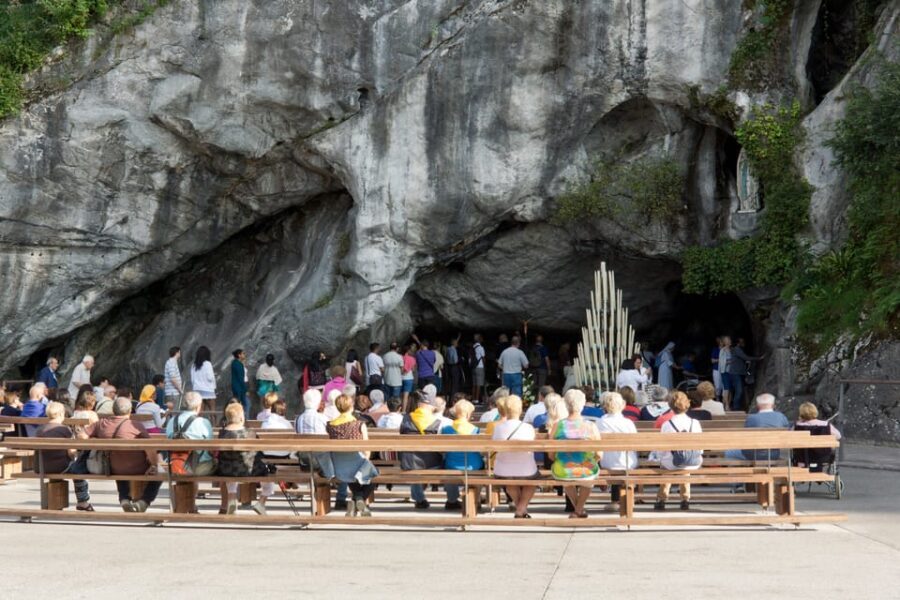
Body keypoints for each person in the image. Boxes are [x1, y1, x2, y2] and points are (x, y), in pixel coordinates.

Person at [81, 397, 160, 512]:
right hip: (138, 468)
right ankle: (144, 502)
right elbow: (150, 447)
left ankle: (124, 499)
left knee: (118, 461)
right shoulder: (135, 425)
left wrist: (95, 439)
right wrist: (154, 465)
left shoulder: (102, 423)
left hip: (112, 468)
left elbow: (81, 436)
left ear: (113, 410)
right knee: (160, 473)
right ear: (130, 411)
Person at [399, 391, 460, 510]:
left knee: (413, 467)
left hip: (409, 463)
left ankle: (419, 500)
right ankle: (452, 500)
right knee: (450, 466)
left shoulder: (406, 419)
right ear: (431, 406)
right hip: (432, 463)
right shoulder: (438, 422)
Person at [323, 394, 379, 517]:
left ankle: (356, 501)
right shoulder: (359, 425)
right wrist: (365, 463)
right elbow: (367, 449)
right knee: (373, 473)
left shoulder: (330, 425)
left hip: (338, 466)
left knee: (352, 473)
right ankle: (358, 499)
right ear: (351, 407)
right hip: (356, 463)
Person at [549, 390, 601, 518]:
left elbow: (550, 454)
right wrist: (593, 460)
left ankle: (578, 509)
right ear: (582, 405)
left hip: (563, 469)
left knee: (566, 479)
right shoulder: (591, 426)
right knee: (588, 480)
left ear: (566, 405)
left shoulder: (557, 425)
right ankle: (579, 509)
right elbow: (599, 454)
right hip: (586, 468)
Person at [36, 401, 93, 511]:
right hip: (61, 467)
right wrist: (76, 456)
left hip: (42, 467)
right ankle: (83, 502)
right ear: (61, 414)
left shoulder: (40, 430)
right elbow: (71, 452)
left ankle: (53, 503)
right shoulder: (64, 430)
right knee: (78, 471)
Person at [217, 403, 269, 514]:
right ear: (241, 417)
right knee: (269, 474)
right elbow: (259, 451)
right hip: (246, 471)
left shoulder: (222, 433)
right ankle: (261, 502)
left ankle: (231, 499)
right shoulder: (250, 433)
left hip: (225, 471)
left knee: (231, 465)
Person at [492, 395, 539, 519]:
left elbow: (494, 448)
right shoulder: (528, 428)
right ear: (520, 409)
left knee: (510, 480)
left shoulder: (498, 428)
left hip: (503, 469)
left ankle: (520, 508)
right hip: (526, 469)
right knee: (532, 482)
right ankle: (521, 508)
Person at [655, 392, 702, 511]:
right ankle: (685, 499)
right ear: (687, 405)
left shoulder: (667, 424)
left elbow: (661, 449)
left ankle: (662, 499)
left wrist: (660, 458)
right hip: (693, 461)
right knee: (684, 468)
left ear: (671, 406)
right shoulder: (695, 423)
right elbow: (700, 447)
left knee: (667, 467)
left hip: (671, 462)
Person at [597, 392, 638, 513]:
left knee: (614, 462)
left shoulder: (601, 422)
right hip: (628, 461)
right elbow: (635, 443)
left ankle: (615, 500)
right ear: (622, 405)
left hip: (607, 461)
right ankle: (627, 499)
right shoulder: (628, 422)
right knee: (624, 462)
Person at [724, 393, 790, 461]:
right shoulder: (781, 417)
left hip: (753, 455)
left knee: (728, 452)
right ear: (773, 405)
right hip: (774, 454)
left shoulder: (752, 418)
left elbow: (745, 438)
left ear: (757, 406)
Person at [165, 391, 216, 477]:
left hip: (175, 466)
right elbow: (210, 447)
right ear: (198, 406)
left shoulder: (172, 421)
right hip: (199, 468)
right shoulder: (204, 422)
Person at [728, 338, 764, 411]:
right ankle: (736, 408)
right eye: (742, 341)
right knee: (739, 390)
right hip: (735, 373)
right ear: (738, 343)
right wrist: (759, 358)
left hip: (739, 373)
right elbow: (745, 357)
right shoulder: (737, 349)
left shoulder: (739, 350)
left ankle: (740, 406)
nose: (744, 343)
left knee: (741, 390)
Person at [190, 346, 217, 413]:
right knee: (212, 411)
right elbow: (210, 378)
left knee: (199, 412)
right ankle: (213, 423)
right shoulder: (208, 364)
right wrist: (214, 387)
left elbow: (192, 380)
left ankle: (198, 423)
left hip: (197, 390)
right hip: (208, 391)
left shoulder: (193, 365)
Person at [230, 349, 249, 418]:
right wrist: (245, 389)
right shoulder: (238, 364)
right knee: (244, 405)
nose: (244, 355)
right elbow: (241, 378)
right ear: (239, 355)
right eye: (243, 353)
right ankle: (243, 419)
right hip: (240, 388)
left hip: (236, 387)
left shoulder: (234, 363)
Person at [445, 334, 464, 399]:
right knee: (455, 384)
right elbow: (455, 360)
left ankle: (449, 398)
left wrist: (459, 336)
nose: (457, 344)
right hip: (454, 367)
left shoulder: (448, 349)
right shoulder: (454, 350)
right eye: (456, 342)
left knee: (450, 383)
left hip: (449, 367)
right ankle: (453, 398)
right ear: (454, 343)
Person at [719, 336, 733, 410]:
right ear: (725, 342)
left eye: (729, 339)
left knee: (730, 389)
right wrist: (731, 361)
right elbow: (722, 362)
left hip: (732, 372)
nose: (730, 341)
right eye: (728, 340)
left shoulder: (732, 350)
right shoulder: (723, 350)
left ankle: (728, 404)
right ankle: (726, 405)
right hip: (725, 372)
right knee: (726, 388)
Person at [471, 334, 486, 403]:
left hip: (473, 367)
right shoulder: (481, 348)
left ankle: (473, 398)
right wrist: (485, 366)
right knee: (479, 384)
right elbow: (483, 358)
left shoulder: (473, 347)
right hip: (479, 367)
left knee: (474, 384)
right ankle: (477, 399)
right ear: (480, 339)